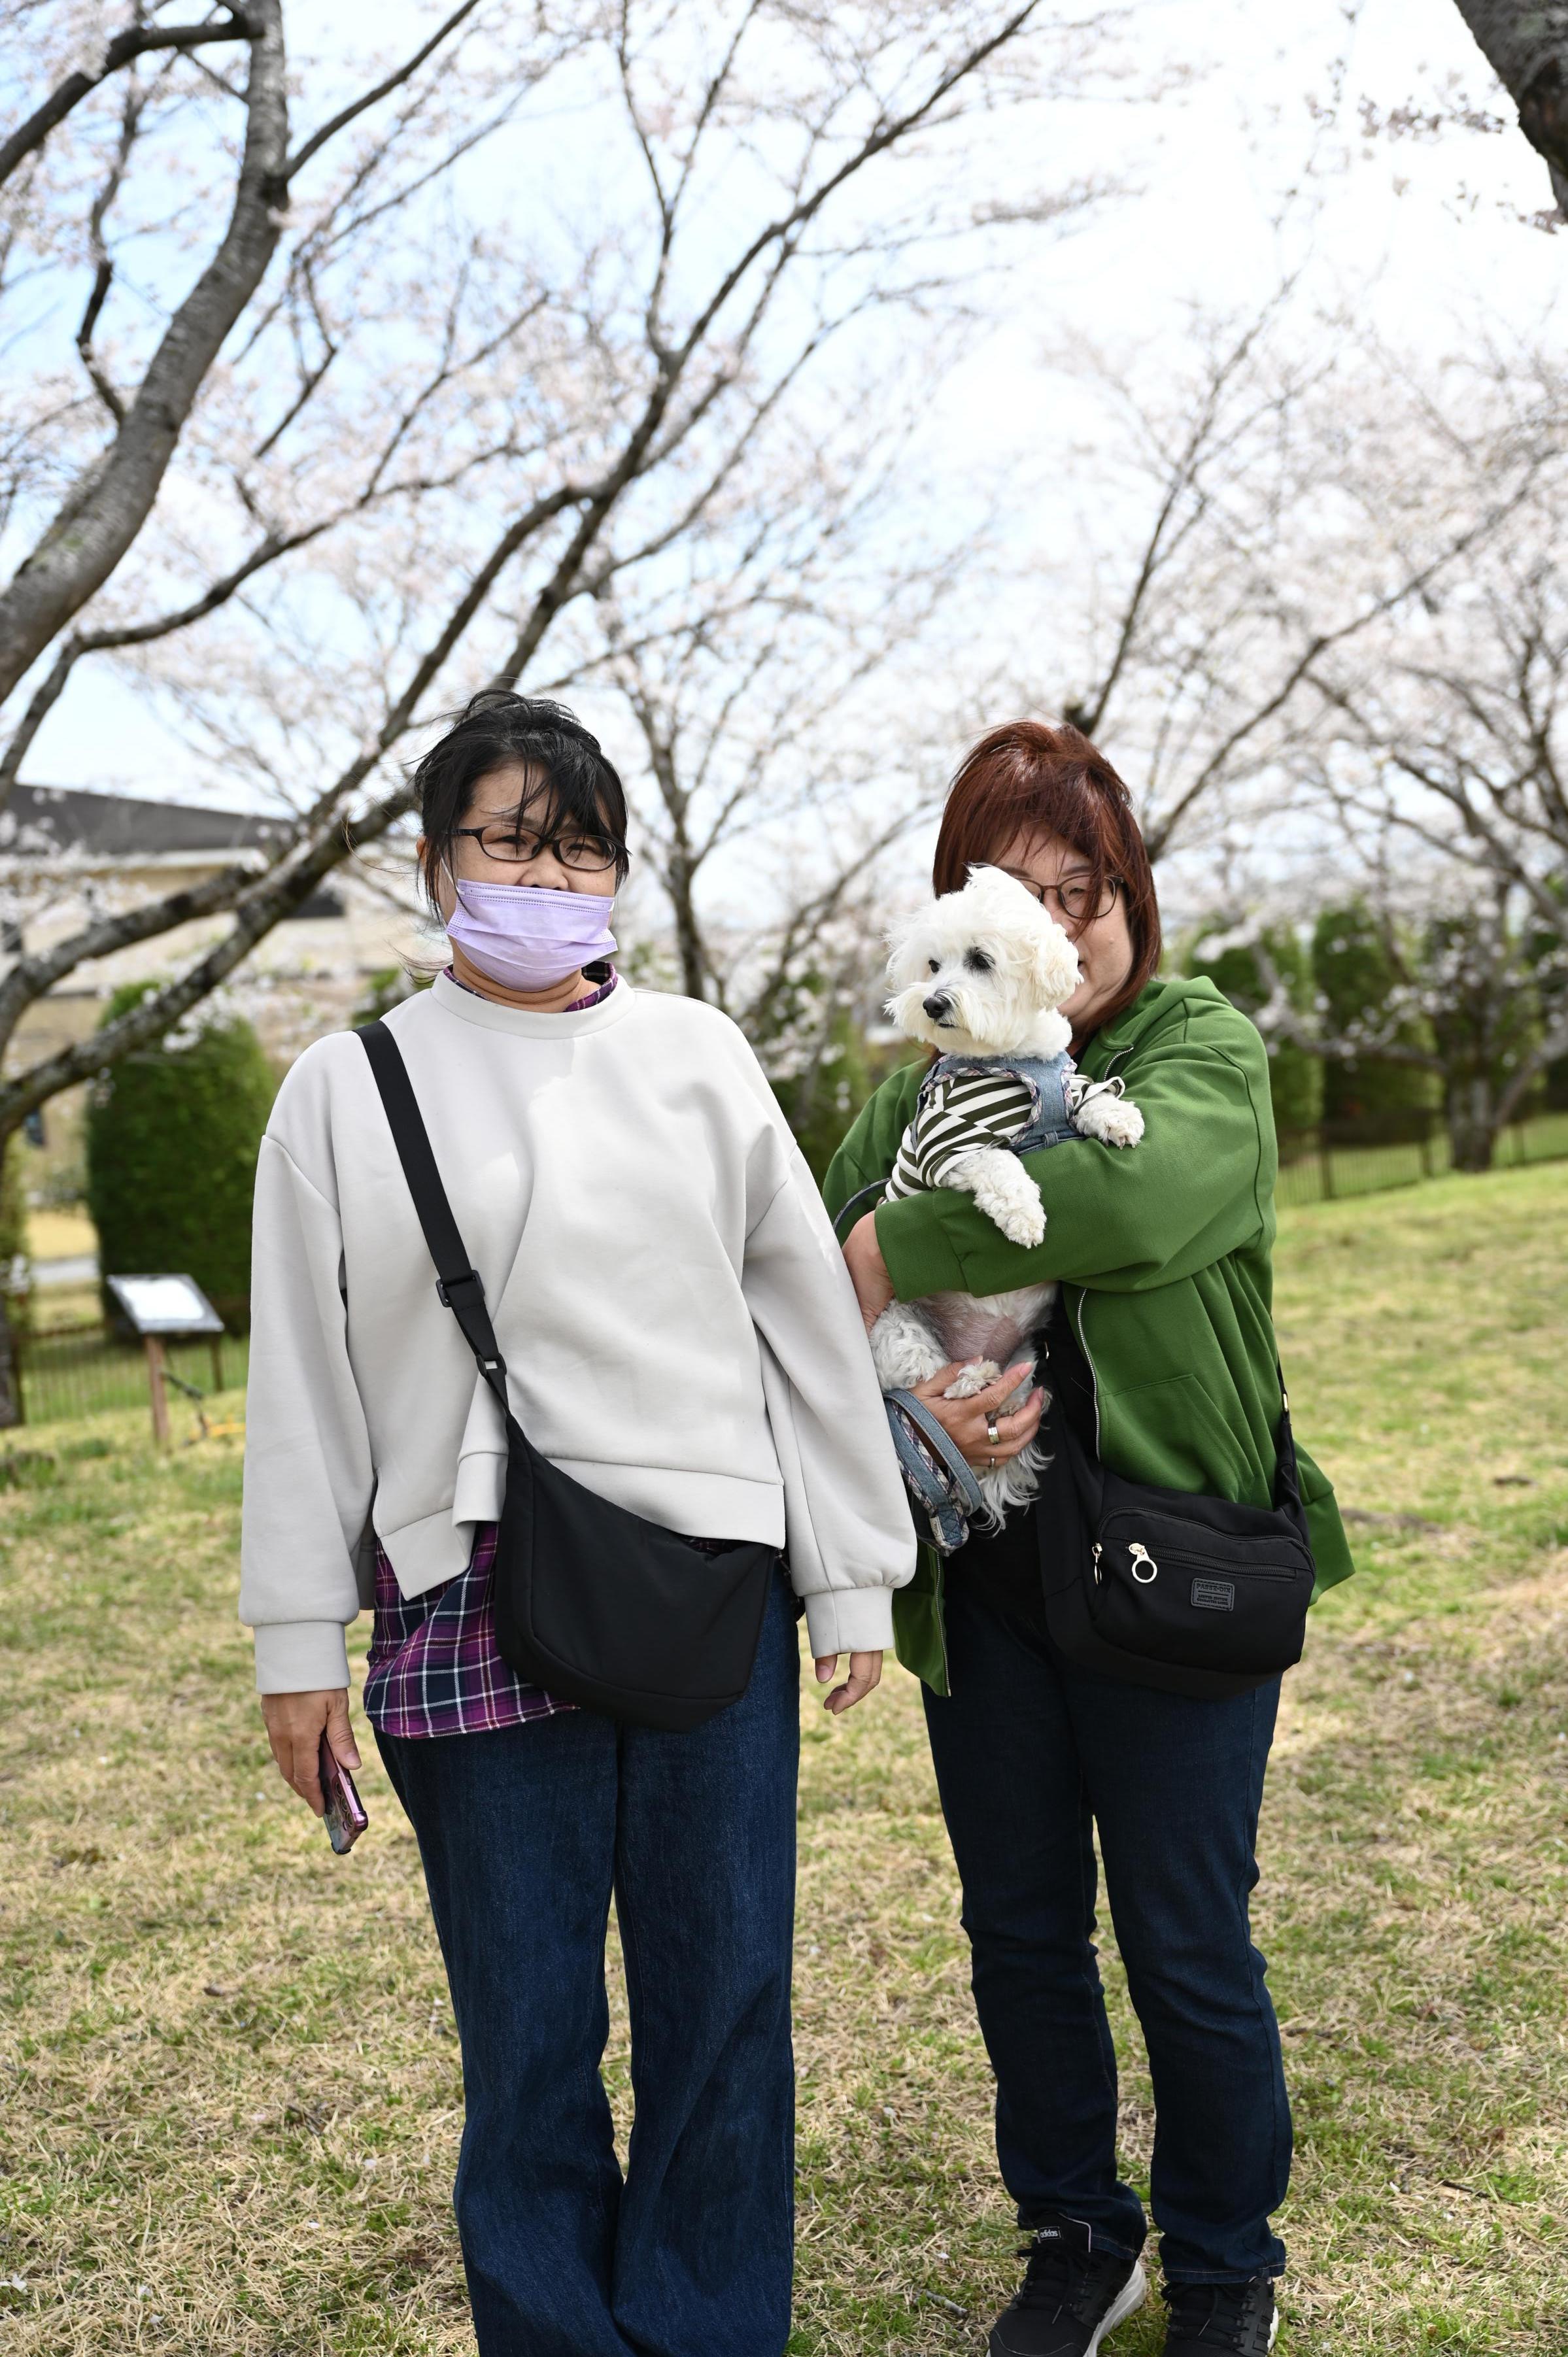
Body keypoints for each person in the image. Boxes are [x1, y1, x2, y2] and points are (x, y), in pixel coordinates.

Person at [240, 690, 915, 2357]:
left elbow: (802, 1334)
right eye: (509, 839)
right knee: (528, 2037)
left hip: (706, 1588)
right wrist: (291, 1638)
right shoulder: (344, 1087)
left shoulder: (694, 1055)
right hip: (462, 1593)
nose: (546, 874)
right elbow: (302, 1376)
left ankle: (703, 2332)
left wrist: (850, 1584)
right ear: (431, 859)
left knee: (723, 2004)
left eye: (581, 846)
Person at [825, 721, 1354, 2357]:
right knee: (1018, 1926)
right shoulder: (907, 1093)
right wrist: (909, 1401)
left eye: (1090, 888)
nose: (1072, 918)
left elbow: (1126, 1211)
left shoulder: (1195, 1047)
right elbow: (807, 1305)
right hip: (984, 1580)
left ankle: (1221, 2262)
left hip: (1170, 1559)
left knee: (1187, 1932)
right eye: (1021, 889)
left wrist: (878, 1237)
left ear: (1120, 903)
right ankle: (1074, 2234)